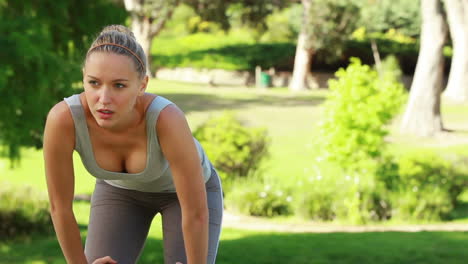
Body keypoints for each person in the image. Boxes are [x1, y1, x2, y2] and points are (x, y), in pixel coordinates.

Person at [43, 25, 223, 264]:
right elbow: (60, 208)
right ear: (83, 78)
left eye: (119, 85)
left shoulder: (166, 119)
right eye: (94, 83)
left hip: (184, 200)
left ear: (142, 85)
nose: (103, 99)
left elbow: (196, 213)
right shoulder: (63, 120)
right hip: (118, 192)